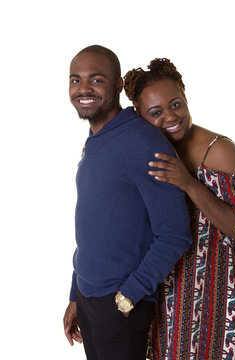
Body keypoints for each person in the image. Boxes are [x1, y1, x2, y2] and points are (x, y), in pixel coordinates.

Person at [124, 58, 235, 360]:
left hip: (214, 314)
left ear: (185, 96)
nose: (170, 117)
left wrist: (188, 184)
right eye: (156, 113)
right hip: (163, 308)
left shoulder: (220, 153)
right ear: (140, 117)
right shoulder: (149, 154)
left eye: (176, 104)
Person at [63, 46, 192, 360]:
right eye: (75, 80)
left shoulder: (144, 142)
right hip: (89, 296)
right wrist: (75, 294)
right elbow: (93, 226)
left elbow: (175, 235)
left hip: (120, 305)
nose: (84, 89)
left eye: (96, 80)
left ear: (118, 85)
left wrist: (128, 296)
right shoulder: (97, 141)